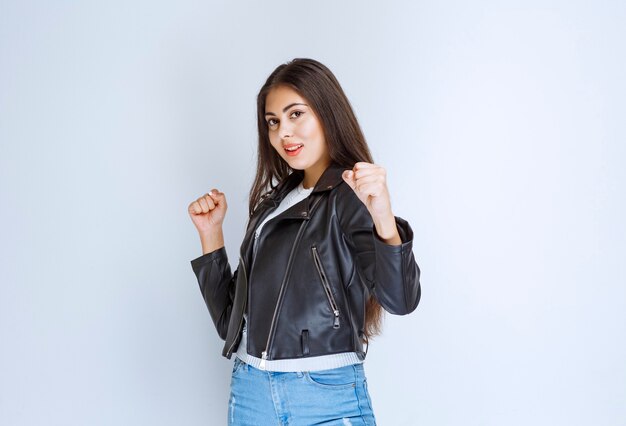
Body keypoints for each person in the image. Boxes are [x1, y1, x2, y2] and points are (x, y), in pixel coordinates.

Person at [188, 58, 421, 426]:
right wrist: (211, 234)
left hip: (324, 393)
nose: (284, 133)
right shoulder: (272, 204)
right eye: (273, 121)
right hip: (250, 392)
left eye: (296, 114)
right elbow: (229, 324)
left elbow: (402, 300)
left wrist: (383, 218)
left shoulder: (350, 196)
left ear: (327, 113)